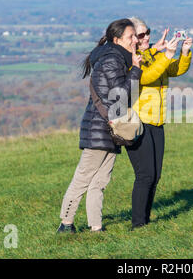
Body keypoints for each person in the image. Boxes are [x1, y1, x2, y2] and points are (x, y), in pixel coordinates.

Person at [57, 19, 142, 233]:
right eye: (131, 36)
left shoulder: (117, 58)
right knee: (84, 178)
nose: (135, 40)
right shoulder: (112, 60)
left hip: (108, 128)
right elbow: (121, 96)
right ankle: (66, 224)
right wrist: (136, 70)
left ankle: (96, 227)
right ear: (117, 39)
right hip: (101, 128)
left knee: (100, 180)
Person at [127, 17, 193, 229]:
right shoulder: (131, 57)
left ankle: (145, 220)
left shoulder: (152, 54)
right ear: (131, 38)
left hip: (157, 121)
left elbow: (173, 70)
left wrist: (183, 53)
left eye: (148, 32)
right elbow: (146, 76)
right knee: (145, 175)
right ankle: (138, 223)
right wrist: (166, 55)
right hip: (139, 122)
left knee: (155, 175)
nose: (146, 37)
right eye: (141, 35)